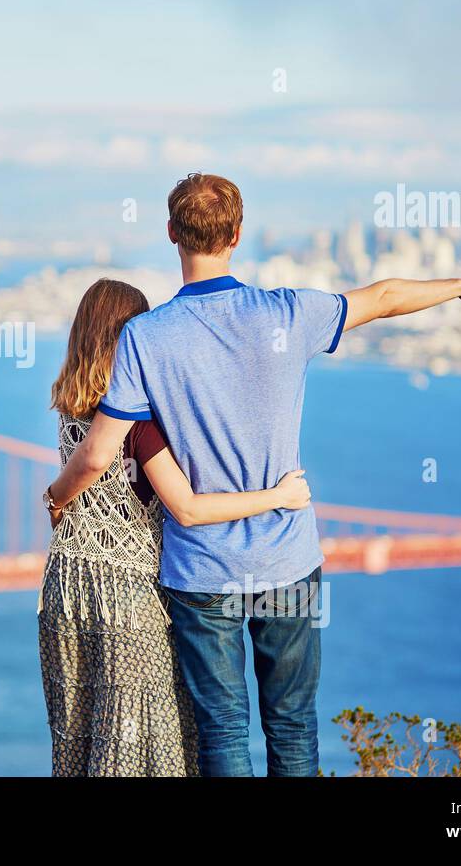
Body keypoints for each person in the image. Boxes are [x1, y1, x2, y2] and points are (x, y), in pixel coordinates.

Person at [45, 173, 461, 776]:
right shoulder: (289, 313)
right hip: (289, 557)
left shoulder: (145, 337)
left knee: (223, 732)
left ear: (170, 234)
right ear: (238, 234)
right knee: (293, 728)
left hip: (201, 572)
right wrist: (459, 286)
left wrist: (57, 499)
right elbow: (387, 295)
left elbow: (99, 452)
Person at [38, 277, 313, 777]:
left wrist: (54, 497)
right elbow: (186, 508)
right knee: (148, 738)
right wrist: (279, 496)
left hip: (67, 588)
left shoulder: (70, 410)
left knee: (81, 733)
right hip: (131, 596)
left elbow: (82, 475)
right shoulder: (138, 424)